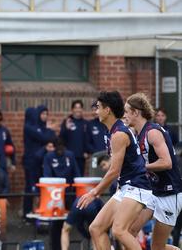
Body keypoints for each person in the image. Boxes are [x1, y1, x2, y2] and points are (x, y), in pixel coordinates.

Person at [77, 91, 152, 250]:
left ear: (107, 109)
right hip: (127, 186)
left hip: (138, 186)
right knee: (95, 228)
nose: (95, 111)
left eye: (98, 107)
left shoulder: (119, 134)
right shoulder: (111, 132)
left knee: (119, 230)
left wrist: (94, 192)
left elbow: (114, 170)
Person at [125, 93, 182, 250]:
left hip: (170, 193)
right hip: (154, 192)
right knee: (128, 232)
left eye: (127, 112)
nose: (125, 116)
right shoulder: (139, 133)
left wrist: (141, 167)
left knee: (157, 247)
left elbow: (166, 162)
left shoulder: (152, 132)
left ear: (136, 112)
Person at [23, 105, 57, 216]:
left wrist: (49, 130)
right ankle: (27, 212)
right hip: (30, 162)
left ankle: (39, 211)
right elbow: (44, 138)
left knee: (40, 187)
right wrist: (49, 129)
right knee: (30, 188)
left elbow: (51, 139)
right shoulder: (28, 127)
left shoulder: (39, 127)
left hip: (40, 161)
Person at [59, 100, 88, 174]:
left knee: (79, 177)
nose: (78, 110)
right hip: (68, 155)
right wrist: (66, 129)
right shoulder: (67, 121)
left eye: (79, 107)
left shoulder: (85, 123)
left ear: (82, 109)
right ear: (72, 109)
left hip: (81, 156)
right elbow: (61, 138)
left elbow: (87, 139)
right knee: (68, 177)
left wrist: (86, 151)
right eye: (76, 107)